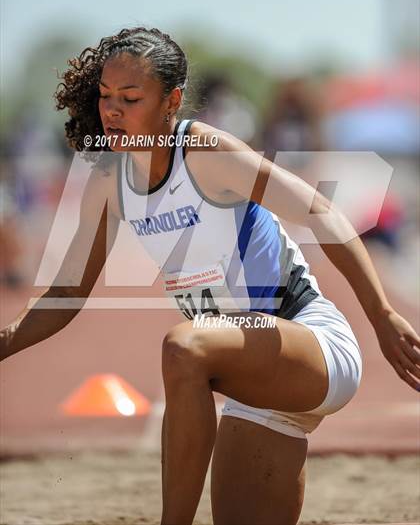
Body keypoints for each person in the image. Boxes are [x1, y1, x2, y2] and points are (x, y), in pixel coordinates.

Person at [1, 27, 418, 525]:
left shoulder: (203, 151)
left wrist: (383, 314)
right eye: (106, 96)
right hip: (252, 387)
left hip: (309, 342)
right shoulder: (109, 181)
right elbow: (66, 292)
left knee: (183, 348)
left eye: (131, 98)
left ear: (171, 100)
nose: (112, 111)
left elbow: (321, 211)